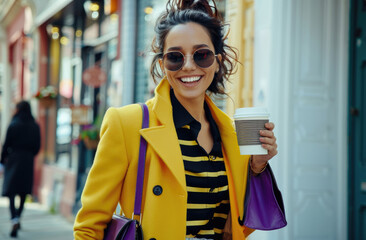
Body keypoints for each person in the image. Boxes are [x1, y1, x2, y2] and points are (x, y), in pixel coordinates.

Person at [74, 0, 278, 239]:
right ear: (163, 65)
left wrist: (256, 168)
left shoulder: (231, 136)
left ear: (217, 61)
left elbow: (240, 226)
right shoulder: (127, 124)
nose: (189, 66)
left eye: (201, 55)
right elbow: (89, 226)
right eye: (175, 57)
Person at [0, 100, 41, 238]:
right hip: (27, 161)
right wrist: (29, 155)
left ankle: (14, 219)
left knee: (12, 191)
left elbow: (6, 145)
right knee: (23, 191)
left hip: (13, 159)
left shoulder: (14, 124)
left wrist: (2, 161)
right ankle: (18, 215)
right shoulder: (35, 126)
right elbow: (37, 146)